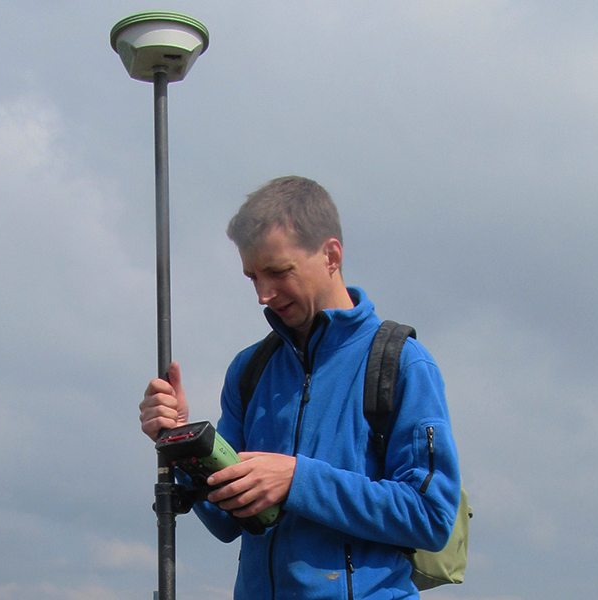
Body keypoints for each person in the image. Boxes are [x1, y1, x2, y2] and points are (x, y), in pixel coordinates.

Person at [139, 176, 460, 599]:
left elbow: (430, 517)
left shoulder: (402, 362)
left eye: (277, 271)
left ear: (331, 255)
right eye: (252, 276)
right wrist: (180, 440)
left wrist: (296, 480)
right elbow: (224, 522)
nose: (263, 294)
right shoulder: (249, 370)